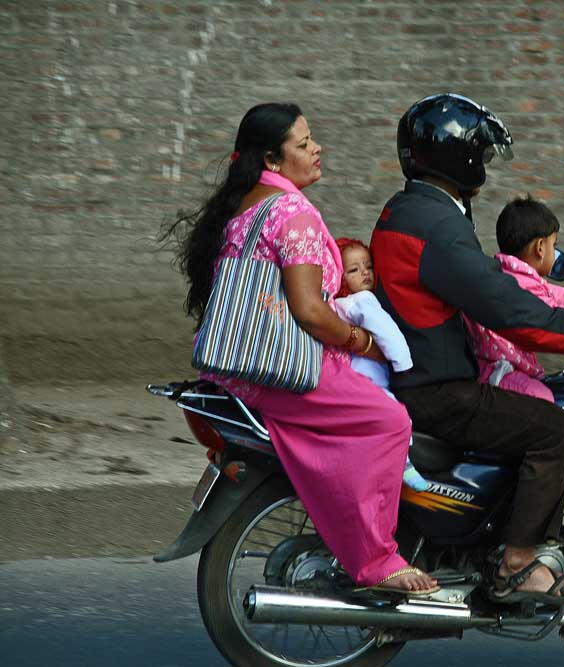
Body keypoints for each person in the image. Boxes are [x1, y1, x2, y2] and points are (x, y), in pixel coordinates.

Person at [166, 103, 437, 595]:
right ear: (272, 158)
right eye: (305, 143)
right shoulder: (295, 215)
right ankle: (377, 560)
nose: (318, 149)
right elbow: (311, 312)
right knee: (389, 421)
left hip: (238, 367)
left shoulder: (246, 207)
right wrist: (363, 342)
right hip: (282, 370)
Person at [370, 93, 564, 603]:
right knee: (557, 432)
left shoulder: (412, 210)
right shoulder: (436, 225)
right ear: (457, 156)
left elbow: (497, 287)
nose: (483, 166)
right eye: (480, 155)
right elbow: (501, 304)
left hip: (424, 376)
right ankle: (520, 563)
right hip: (439, 388)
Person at [465, 195, 564, 403]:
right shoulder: (522, 285)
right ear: (540, 247)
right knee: (545, 402)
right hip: (498, 372)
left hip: (500, 366)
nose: (554, 251)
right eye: (553, 245)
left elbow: (555, 296)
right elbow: (552, 316)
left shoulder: (509, 274)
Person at [334, 237, 430, 491]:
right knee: (395, 415)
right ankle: (403, 463)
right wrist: (404, 365)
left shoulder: (337, 305)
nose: (365, 273)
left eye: (368, 266)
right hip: (369, 377)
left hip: (351, 375)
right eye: (354, 270)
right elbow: (387, 332)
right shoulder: (362, 301)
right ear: (340, 277)